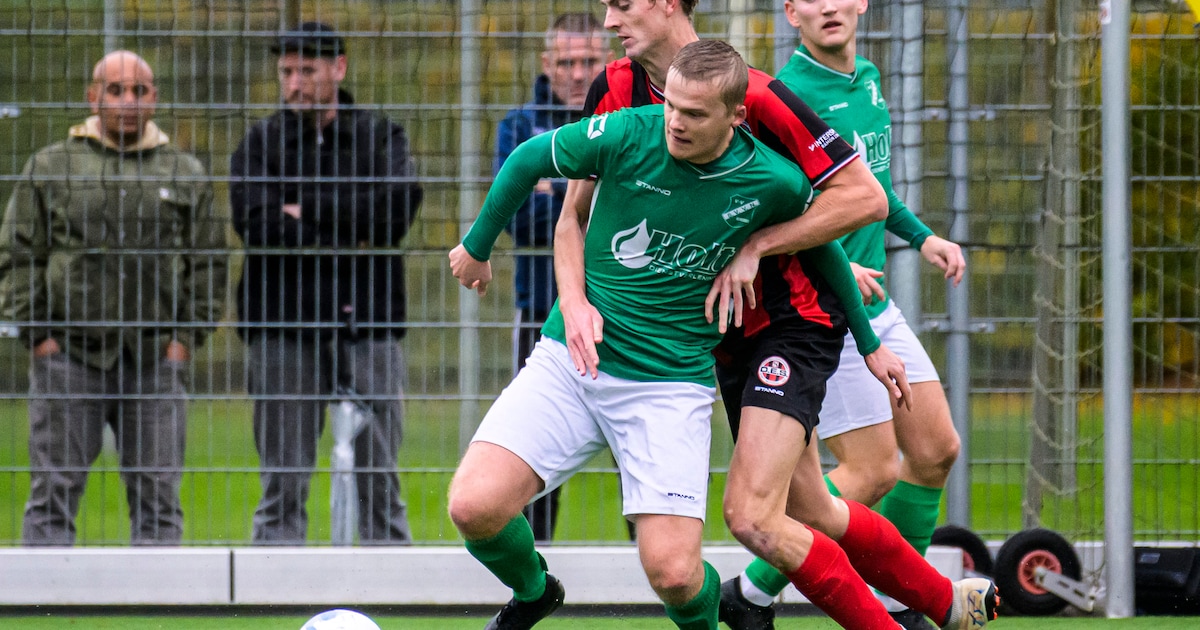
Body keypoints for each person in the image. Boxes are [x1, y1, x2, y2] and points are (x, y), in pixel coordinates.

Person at [579, 2, 998, 629]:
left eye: (623, 3)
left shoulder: (763, 97)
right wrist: (579, 301)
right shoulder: (614, 88)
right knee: (817, 508)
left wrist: (763, 250)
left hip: (791, 324)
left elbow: (859, 199)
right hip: (716, 334)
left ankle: (778, 604)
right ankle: (943, 601)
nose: (609, 19)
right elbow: (574, 210)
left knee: (758, 514)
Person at [448, 40, 891, 630]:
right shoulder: (627, 132)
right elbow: (528, 159)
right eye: (671, 106)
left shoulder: (773, 180)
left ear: (736, 116)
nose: (675, 123)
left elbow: (824, 250)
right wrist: (477, 250)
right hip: (572, 362)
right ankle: (534, 593)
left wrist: (869, 342)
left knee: (676, 577)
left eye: (694, 113)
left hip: (669, 386)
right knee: (473, 506)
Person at [718, 1, 969, 629]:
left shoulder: (868, 79)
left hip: (879, 307)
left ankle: (895, 600)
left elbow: (870, 188)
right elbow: (768, 207)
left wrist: (921, 237)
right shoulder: (787, 97)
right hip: (826, 310)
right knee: (871, 469)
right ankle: (753, 592)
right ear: (789, 11)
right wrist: (826, 259)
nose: (829, 5)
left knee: (936, 449)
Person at [0, 50, 227, 545]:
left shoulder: (183, 171)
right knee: (52, 495)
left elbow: (209, 262)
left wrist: (183, 341)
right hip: (68, 359)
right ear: (93, 96)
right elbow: (17, 255)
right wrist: (39, 336)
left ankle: (162, 614)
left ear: (155, 99)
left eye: (139, 91)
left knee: (158, 499)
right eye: (115, 90)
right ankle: (42, 611)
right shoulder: (51, 165)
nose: (128, 101)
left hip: (152, 361)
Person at [230, 22, 424, 544]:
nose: (294, 83)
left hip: (369, 324)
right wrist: (349, 221)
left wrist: (303, 208)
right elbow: (254, 221)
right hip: (281, 328)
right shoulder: (260, 143)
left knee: (379, 480)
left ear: (338, 68)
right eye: (286, 72)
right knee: (283, 482)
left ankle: (392, 603)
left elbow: (395, 212)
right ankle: (271, 601)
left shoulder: (382, 136)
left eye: (306, 71)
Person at [493, 11, 612, 542]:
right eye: (567, 62)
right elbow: (518, 219)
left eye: (589, 60)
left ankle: (651, 578)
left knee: (640, 463)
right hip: (543, 311)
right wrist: (595, 200)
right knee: (537, 456)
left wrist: (554, 191)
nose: (578, 72)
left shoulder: (630, 115)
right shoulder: (519, 127)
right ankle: (534, 575)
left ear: (606, 61)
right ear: (547, 63)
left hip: (625, 313)